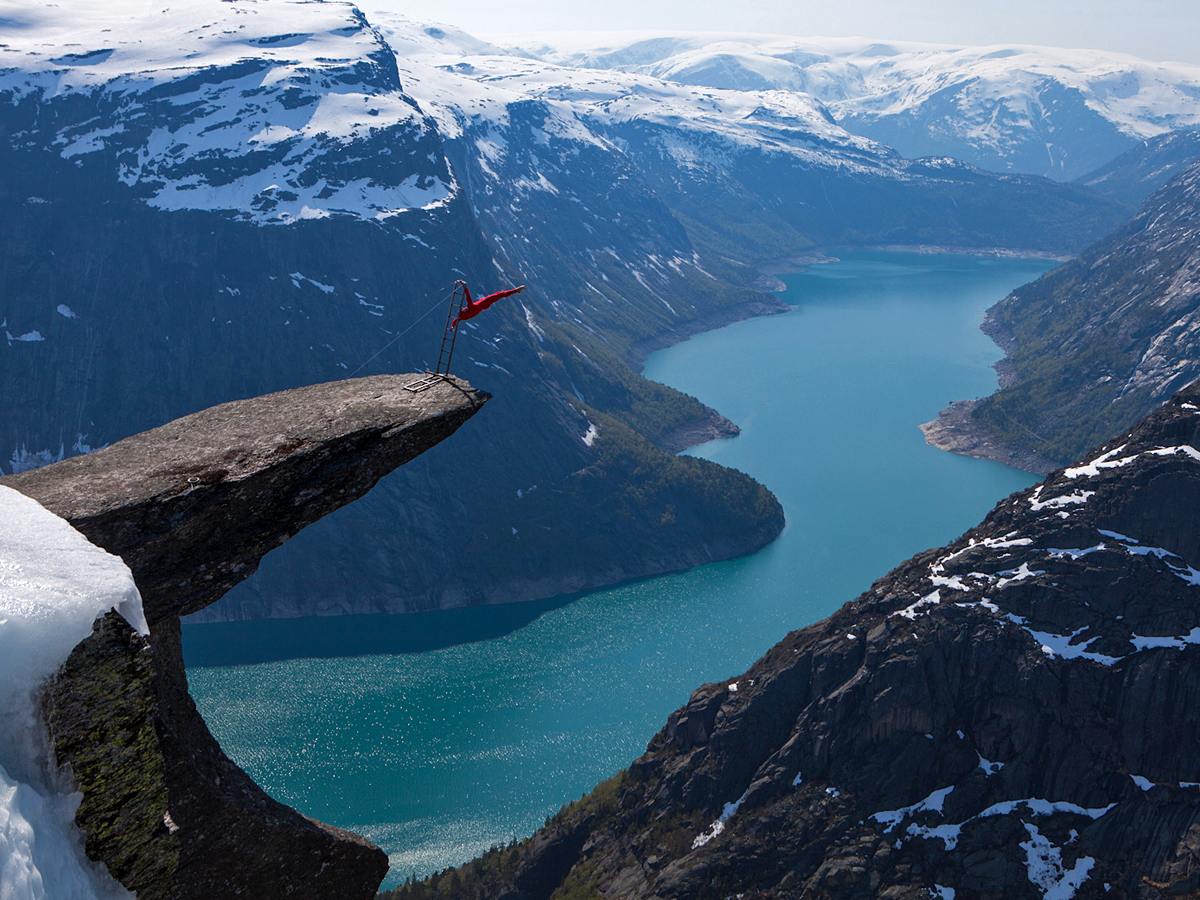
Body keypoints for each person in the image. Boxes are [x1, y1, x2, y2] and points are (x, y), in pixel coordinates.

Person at [452, 282, 525, 327]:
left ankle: (516, 291)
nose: (463, 308)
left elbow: (456, 320)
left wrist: (452, 327)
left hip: (484, 306)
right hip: (485, 302)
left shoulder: (465, 317)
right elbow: (468, 296)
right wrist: (464, 286)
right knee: (499, 294)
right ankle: (516, 290)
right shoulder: (470, 307)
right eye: (462, 309)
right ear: (464, 311)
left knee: (499, 295)